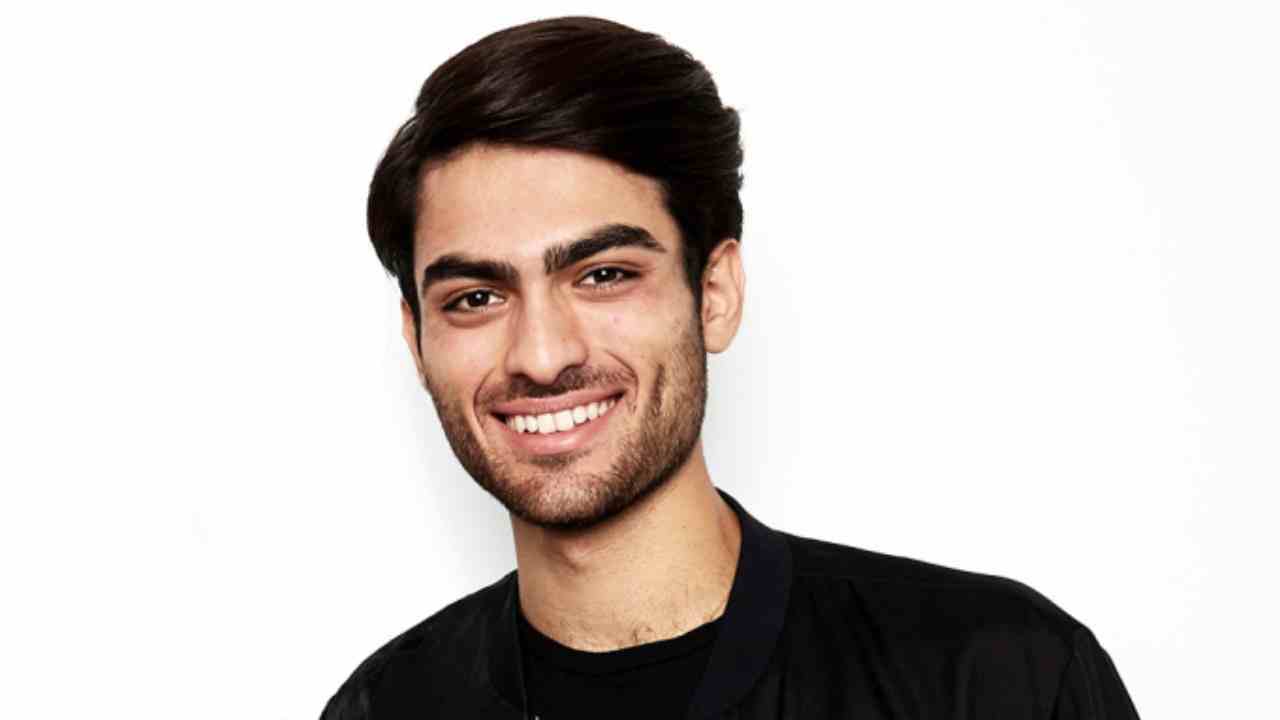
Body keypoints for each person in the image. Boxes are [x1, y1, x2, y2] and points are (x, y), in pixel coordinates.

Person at [321, 16, 1140, 720]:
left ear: (714, 295)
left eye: (603, 275)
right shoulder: (383, 708)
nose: (542, 355)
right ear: (417, 339)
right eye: (475, 297)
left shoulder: (996, 680)